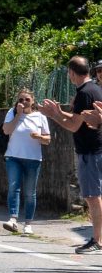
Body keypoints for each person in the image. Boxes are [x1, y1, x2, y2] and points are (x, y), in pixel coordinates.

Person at [39, 55, 102, 253]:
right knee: (95, 195)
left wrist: (53, 115)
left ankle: (97, 240)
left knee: (93, 196)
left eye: (68, 73)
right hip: (94, 150)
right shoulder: (94, 89)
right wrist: (59, 111)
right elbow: (79, 119)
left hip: (90, 151)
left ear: (72, 73)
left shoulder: (84, 93)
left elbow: (74, 126)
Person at [2, 88, 50, 235]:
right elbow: (6, 130)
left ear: (33, 101)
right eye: (21, 100)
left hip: (33, 159)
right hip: (13, 157)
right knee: (13, 187)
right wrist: (18, 115)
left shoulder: (40, 117)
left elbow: (47, 140)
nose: (24, 102)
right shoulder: (12, 112)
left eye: (27, 99)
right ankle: (13, 219)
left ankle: (28, 223)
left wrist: (39, 137)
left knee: (30, 192)